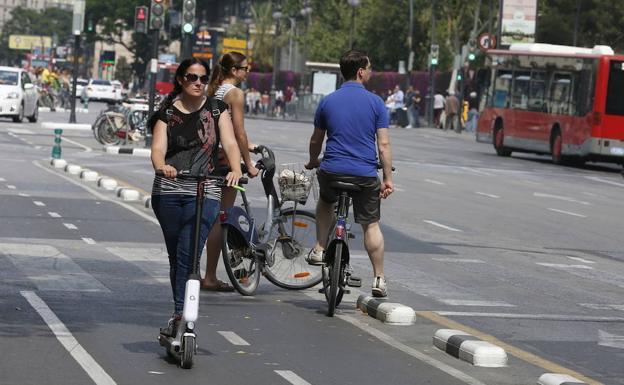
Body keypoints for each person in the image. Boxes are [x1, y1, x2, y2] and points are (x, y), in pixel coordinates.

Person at [149, 57, 242, 334]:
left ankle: (183, 317)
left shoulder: (217, 110)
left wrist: (235, 168)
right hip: (169, 191)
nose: (198, 83)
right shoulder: (166, 114)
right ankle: (179, 313)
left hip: (205, 190)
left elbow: (230, 141)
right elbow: (157, 148)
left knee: (189, 255)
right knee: (177, 256)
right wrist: (161, 166)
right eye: (192, 77)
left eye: (202, 78)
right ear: (181, 79)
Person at [305, 50, 394, 298]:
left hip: (332, 171)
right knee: (371, 225)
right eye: (370, 67)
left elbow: (316, 140)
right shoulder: (376, 103)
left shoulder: (328, 101)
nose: (371, 71)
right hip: (365, 175)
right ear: (360, 71)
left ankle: (320, 247)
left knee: (325, 202)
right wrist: (387, 177)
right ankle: (378, 279)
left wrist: (313, 161)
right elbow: (383, 145)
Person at [201, 51, 259, 292]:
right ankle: (211, 276)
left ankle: (207, 273)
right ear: (234, 71)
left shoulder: (214, 90)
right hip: (225, 160)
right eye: (245, 68)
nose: (247, 72)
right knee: (220, 218)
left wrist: (249, 146)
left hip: (210, 157)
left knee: (212, 215)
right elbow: (238, 132)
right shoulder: (235, 93)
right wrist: (249, 163)